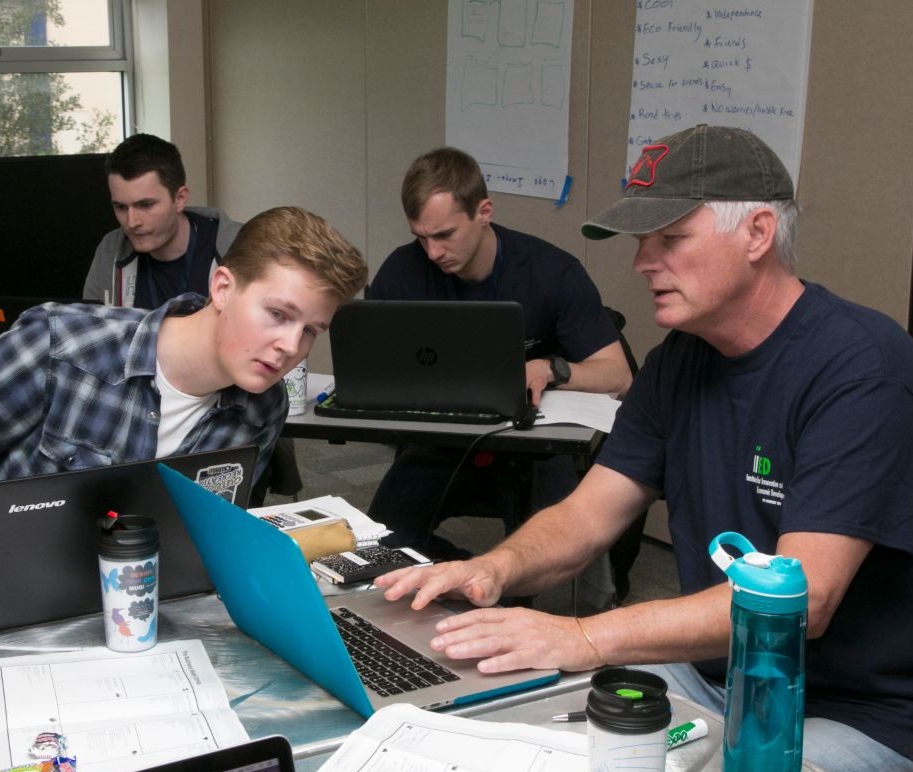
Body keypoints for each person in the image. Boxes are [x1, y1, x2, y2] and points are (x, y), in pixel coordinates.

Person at [375, 125, 913, 769]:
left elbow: (800, 602)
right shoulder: (677, 362)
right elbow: (586, 517)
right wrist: (497, 568)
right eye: (640, 242)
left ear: (757, 233)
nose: (642, 263)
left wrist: (584, 635)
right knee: (510, 729)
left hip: (851, 711)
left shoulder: (861, 368)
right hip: (710, 674)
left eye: (670, 239)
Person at [0, 206, 368, 553]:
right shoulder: (65, 342)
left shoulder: (264, 406)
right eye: (278, 314)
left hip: (142, 604)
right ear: (223, 288)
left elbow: (207, 535)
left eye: (311, 330)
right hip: (20, 597)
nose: (291, 346)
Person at [367, 146, 633, 566]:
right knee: (378, 546)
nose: (432, 252)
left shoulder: (551, 272)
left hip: (534, 446)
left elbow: (618, 376)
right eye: (421, 237)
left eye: (444, 235)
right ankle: (463, 570)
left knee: (546, 556)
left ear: (484, 212)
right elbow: (372, 363)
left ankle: (501, 584)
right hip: (441, 442)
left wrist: (550, 369)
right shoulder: (403, 270)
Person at [82, 133, 242, 307]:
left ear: (180, 199)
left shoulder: (240, 247)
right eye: (120, 207)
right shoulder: (111, 249)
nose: (132, 222)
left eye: (145, 205)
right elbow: (89, 321)